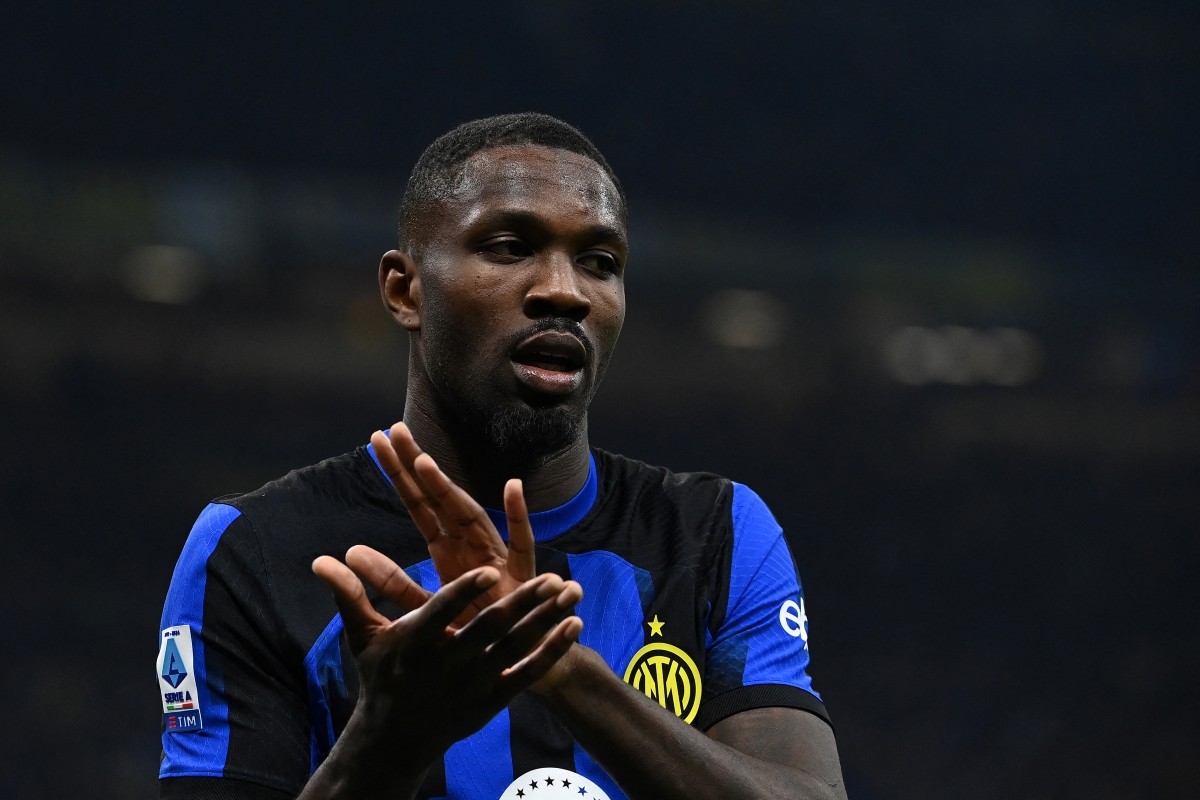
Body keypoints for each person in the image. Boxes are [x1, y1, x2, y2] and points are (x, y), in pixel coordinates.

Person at [155, 113, 846, 800]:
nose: (565, 291)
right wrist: (386, 745)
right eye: (511, 247)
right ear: (404, 290)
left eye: (600, 263)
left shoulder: (713, 535)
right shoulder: (255, 549)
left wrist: (563, 670)